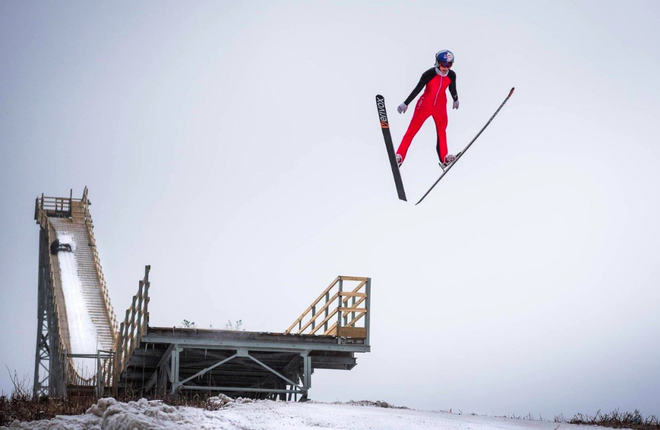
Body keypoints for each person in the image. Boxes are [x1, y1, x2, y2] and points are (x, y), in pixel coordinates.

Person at [395, 50, 460, 170]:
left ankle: (444, 158)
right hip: (425, 105)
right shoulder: (429, 74)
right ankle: (399, 156)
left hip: (440, 106)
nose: (445, 68)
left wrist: (455, 99)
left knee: (442, 131)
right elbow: (418, 88)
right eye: (443, 64)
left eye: (449, 65)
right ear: (437, 63)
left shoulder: (451, 75)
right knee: (412, 130)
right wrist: (406, 103)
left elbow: (452, 88)